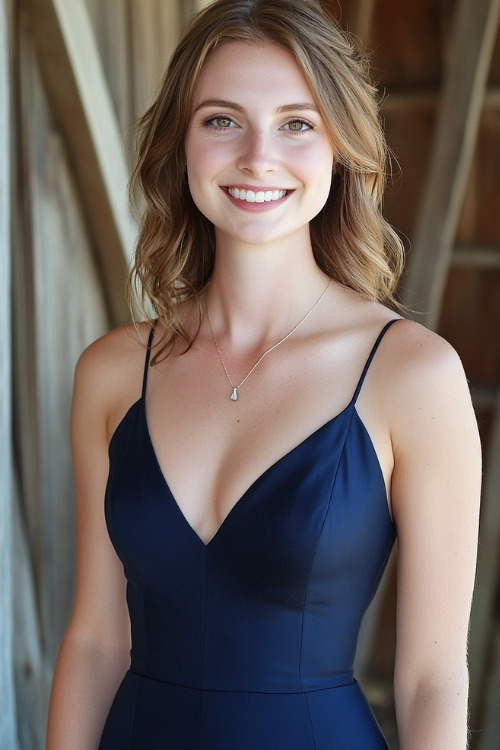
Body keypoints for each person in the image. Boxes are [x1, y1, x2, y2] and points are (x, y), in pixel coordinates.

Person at [46, 0, 482, 747]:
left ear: (340, 147)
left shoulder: (414, 375)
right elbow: (95, 640)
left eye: (296, 123)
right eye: (222, 120)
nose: (257, 156)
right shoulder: (113, 372)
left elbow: (431, 680)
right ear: (180, 144)